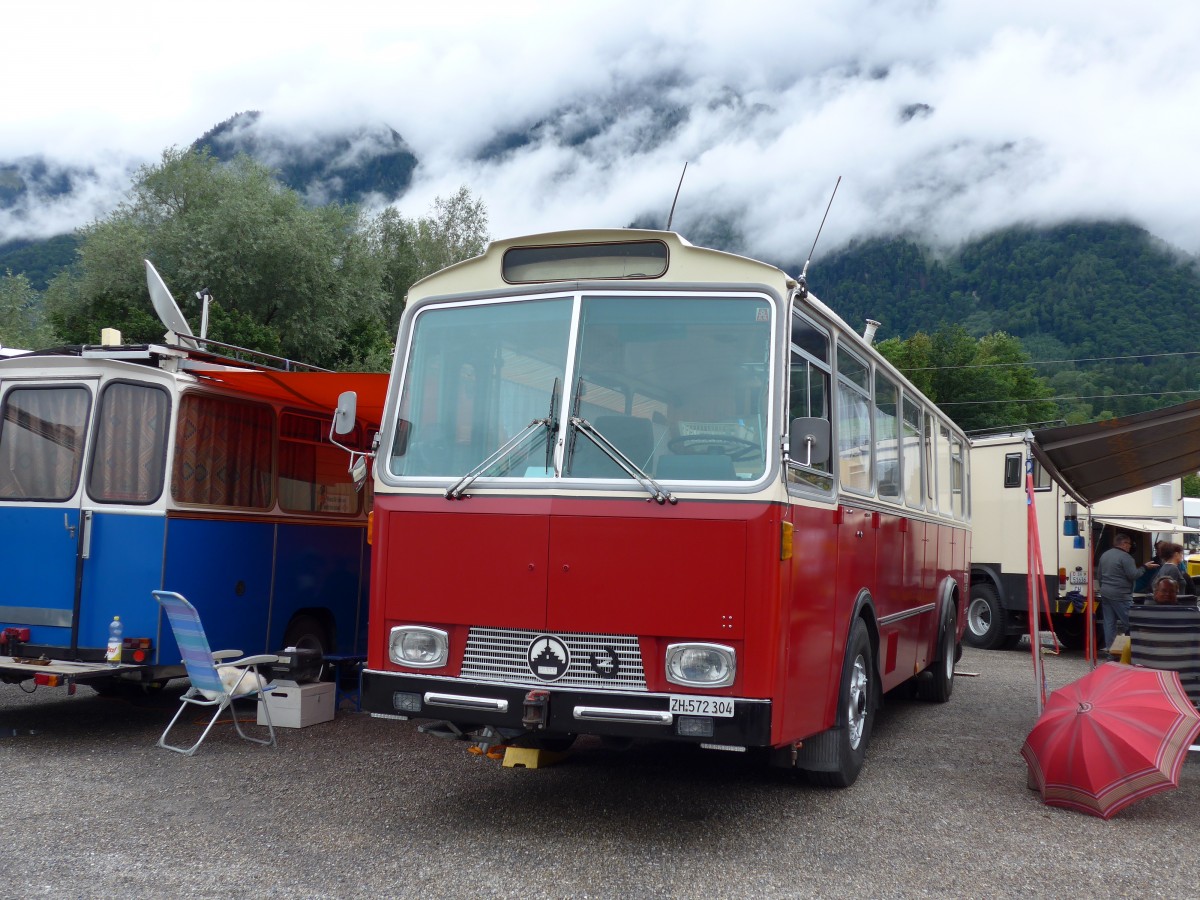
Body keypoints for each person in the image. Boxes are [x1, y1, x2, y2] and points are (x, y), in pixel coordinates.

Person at [1097, 533, 1157, 651]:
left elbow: (1100, 575)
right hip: (1121, 595)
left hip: (1105, 593)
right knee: (1131, 622)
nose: (1130, 546)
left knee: (1109, 624)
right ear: (1123, 544)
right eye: (1129, 544)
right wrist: (1144, 567)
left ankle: (1111, 651)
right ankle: (1136, 650)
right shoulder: (1126, 557)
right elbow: (1133, 575)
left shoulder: (1104, 555)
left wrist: (1104, 588)